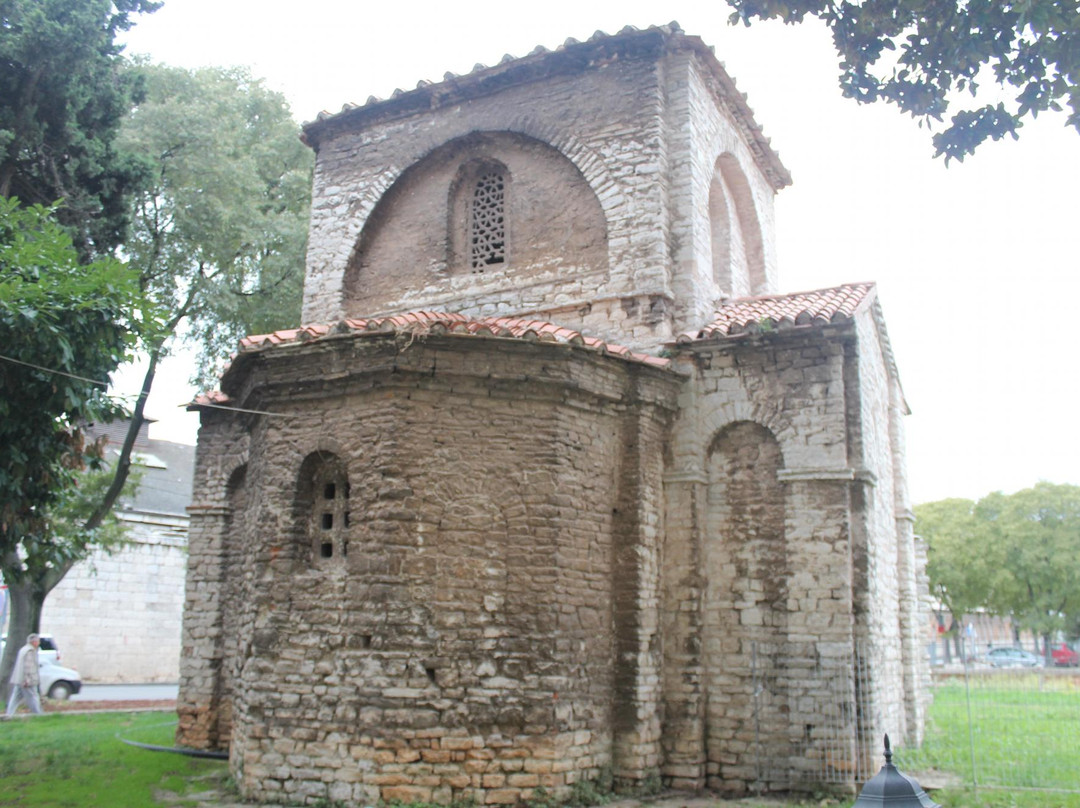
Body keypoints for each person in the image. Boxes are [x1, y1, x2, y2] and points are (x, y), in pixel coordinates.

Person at [5, 633, 43, 718]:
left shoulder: (23, 649)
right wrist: (28, 680)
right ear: (34, 642)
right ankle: (39, 715)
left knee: (15, 698)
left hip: (19, 679)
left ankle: (9, 714)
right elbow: (28, 667)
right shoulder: (30, 651)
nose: (39, 643)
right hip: (27, 680)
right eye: (38, 641)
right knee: (33, 697)